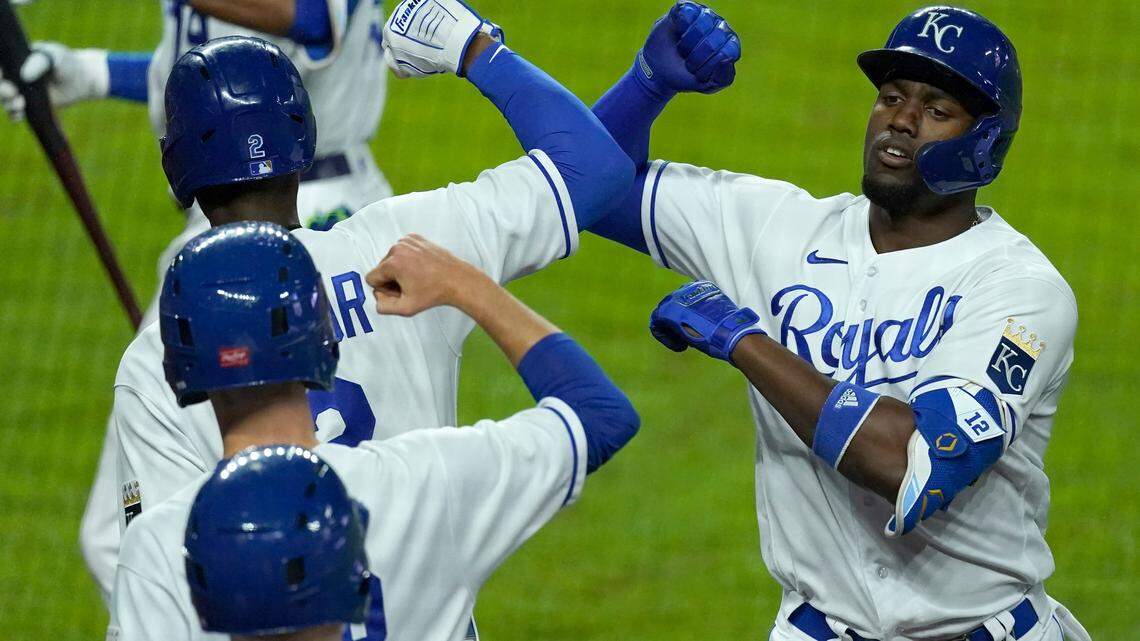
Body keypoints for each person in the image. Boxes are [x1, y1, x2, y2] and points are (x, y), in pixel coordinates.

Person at [110, 0, 632, 627]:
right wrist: (474, 48)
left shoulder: (157, 356)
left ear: (175, 165)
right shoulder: (410, 251)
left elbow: (174, 582)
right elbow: (593, 168)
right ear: (305, 138)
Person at [589, 4, 1090, 640]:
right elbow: (587, 187)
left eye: (936, 110)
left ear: (984, 142)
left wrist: (743, 342)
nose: (901, 121)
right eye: (890, 97)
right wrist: (646, 86)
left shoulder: (1019, 289)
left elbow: (917, 468)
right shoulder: (778, 228)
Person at [0, 0, 393, 601]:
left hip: (289, 213)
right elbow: (212, 91)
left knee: (126, 535)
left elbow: (312, 17)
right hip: (267, 211)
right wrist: (92, 71)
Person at [108, 222, 640, 641]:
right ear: (324, 340)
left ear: (180, 366)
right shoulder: (425, 484)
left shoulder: (159, 547)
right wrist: (465, 285)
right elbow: (600, 414)